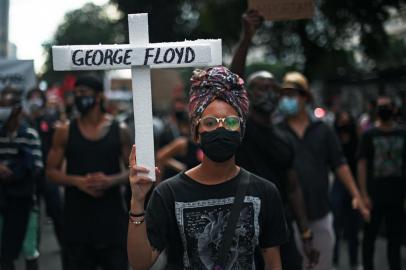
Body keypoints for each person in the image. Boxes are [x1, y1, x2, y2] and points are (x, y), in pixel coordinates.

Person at [128, 66, 288, 270]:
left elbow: (273, 263)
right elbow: (140, 264)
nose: (221, 129)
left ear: (241, 131)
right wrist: (137, 202)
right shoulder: (168, 193)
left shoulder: (265, 192)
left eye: (230, 122)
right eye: (211, 122)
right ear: (196, 134)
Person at [230, 9, 319, 269]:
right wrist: (247, 38)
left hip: (281, 228)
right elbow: (234, 81)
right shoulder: (242, 128)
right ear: (248, 94)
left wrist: (305, 232)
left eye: (272, 88)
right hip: (244, 227)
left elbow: (293, 188)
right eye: (260, 87)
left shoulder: (283, 137)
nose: (268, 92)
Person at [277, 71, 369, 270]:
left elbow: (339, 164)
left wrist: (356, 195)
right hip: (288, 219)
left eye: (292, 95)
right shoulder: (277, 132)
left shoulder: (323, 130)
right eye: (283, 95)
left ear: (305, 97)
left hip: (320, 214)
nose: (287, 100)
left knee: (321, 265)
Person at [46, 74, 131, 270]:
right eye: (75, 93)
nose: (78, 97)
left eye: (83, 93)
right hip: (77, 222)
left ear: (99, 96)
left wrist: (110, 181)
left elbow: (134, 170)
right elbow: (50, 171)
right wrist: (78, 181)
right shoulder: (65, 130)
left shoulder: (120, 129)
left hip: (111, 221)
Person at [358, 96, 406, 270]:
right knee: (369, 238)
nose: (384, 109)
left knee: (395, 239)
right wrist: (363, 194)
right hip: (373, 196)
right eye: (381, 107)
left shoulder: (402, 133)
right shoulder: (369, 135)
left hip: (397, 196)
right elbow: (362, 165)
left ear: (393, 109)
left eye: (386, 106)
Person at [0, 87, 43, 270]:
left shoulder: (30, 135)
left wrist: (16, 172)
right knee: (4, 250)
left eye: (6, 106)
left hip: (25, 201)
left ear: (17, 109)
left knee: (28, 247)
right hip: (2, 201)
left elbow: (38, 166)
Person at [330, 111, 361, 269]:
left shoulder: (356, 139)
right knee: (336, 224)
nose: (344, 124)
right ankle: (334, 259)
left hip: (354, 184)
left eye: (346, 121)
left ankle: (354, 261)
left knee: (353, 226)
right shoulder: (334, 139)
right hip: (338, 184)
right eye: (341, 121)